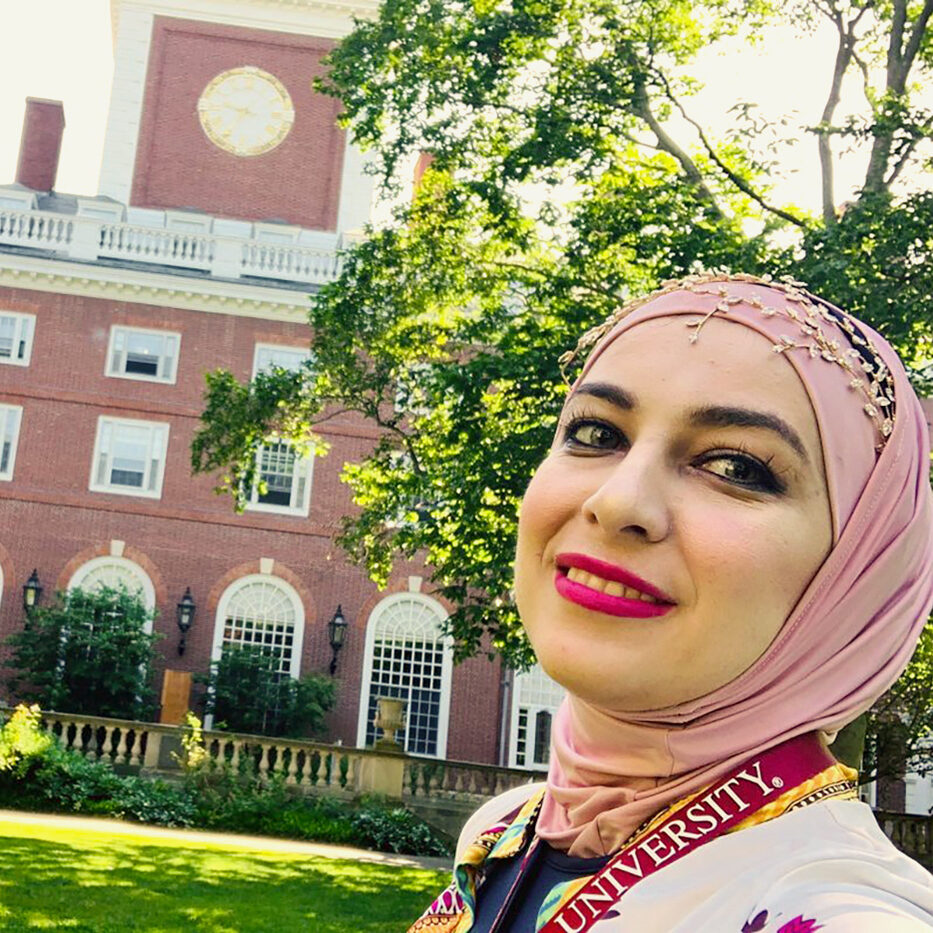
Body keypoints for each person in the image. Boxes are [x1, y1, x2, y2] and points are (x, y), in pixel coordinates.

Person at [407, 274, 933, 933]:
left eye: (736, 466)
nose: (618, 500)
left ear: (859, 570)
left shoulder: (841, 910)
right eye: (596, 433)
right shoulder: (506, 832)